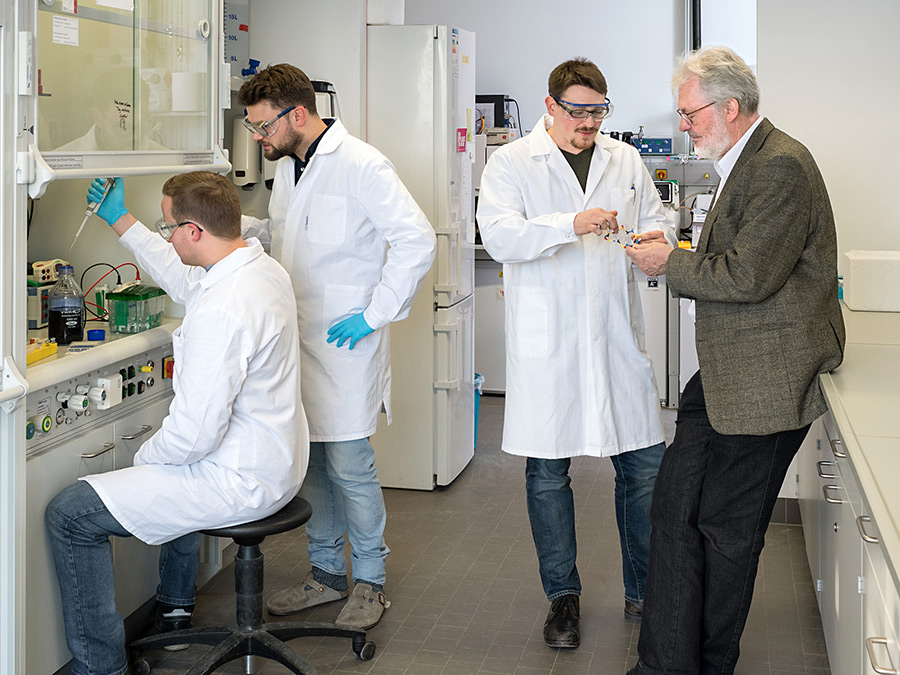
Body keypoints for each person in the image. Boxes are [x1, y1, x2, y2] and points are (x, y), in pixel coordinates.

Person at [625, 46, 845, 675]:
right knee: (674, 508)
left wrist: (670, 264)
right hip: (726, 373)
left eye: (689, 113)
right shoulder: (740, 163)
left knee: (726, 530)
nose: (684, 126)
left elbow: (749, 275)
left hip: (769, 381)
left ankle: (709, 663)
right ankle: (666, 662)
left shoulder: (780, 166)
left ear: (728, 107)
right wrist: (676, 249)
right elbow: (739, 260)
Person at [45, 171, 308, 675]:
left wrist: (141, 466)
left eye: (169, 229)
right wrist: (120, 219)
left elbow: (193, 436)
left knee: (71, 514)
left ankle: (101, 669)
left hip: (240, 478)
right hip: (277, 461)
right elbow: (185, 276)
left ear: (194, 232)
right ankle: (174, 606)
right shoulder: (256, 268)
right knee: (169, 475)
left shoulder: (225, 309)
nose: (167, 237)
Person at [476, 57, 676, 650]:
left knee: (642, 468)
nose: (589, 122)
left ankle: (644, 589)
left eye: (598, 110)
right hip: (550, 344)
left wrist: (654, 235)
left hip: (615, 338)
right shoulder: (510, 162)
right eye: (578, 110)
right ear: (551, 106)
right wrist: (572, 223)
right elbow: (501, 236)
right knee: (548, 474)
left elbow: (656, 214)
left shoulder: (625, 159)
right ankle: (563, 599)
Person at [237, 64, 436, 629]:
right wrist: (238, 229)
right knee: (314, 465)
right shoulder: (292, 170)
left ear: (296, 113)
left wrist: (374, 314)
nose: (258, 138)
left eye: (262, 126)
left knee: (350, 466)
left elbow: (415, 240)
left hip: (348, 344)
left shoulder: (361, 163)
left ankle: (370, 581)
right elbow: (291, 235)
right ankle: (325, 575)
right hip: (297, 341)